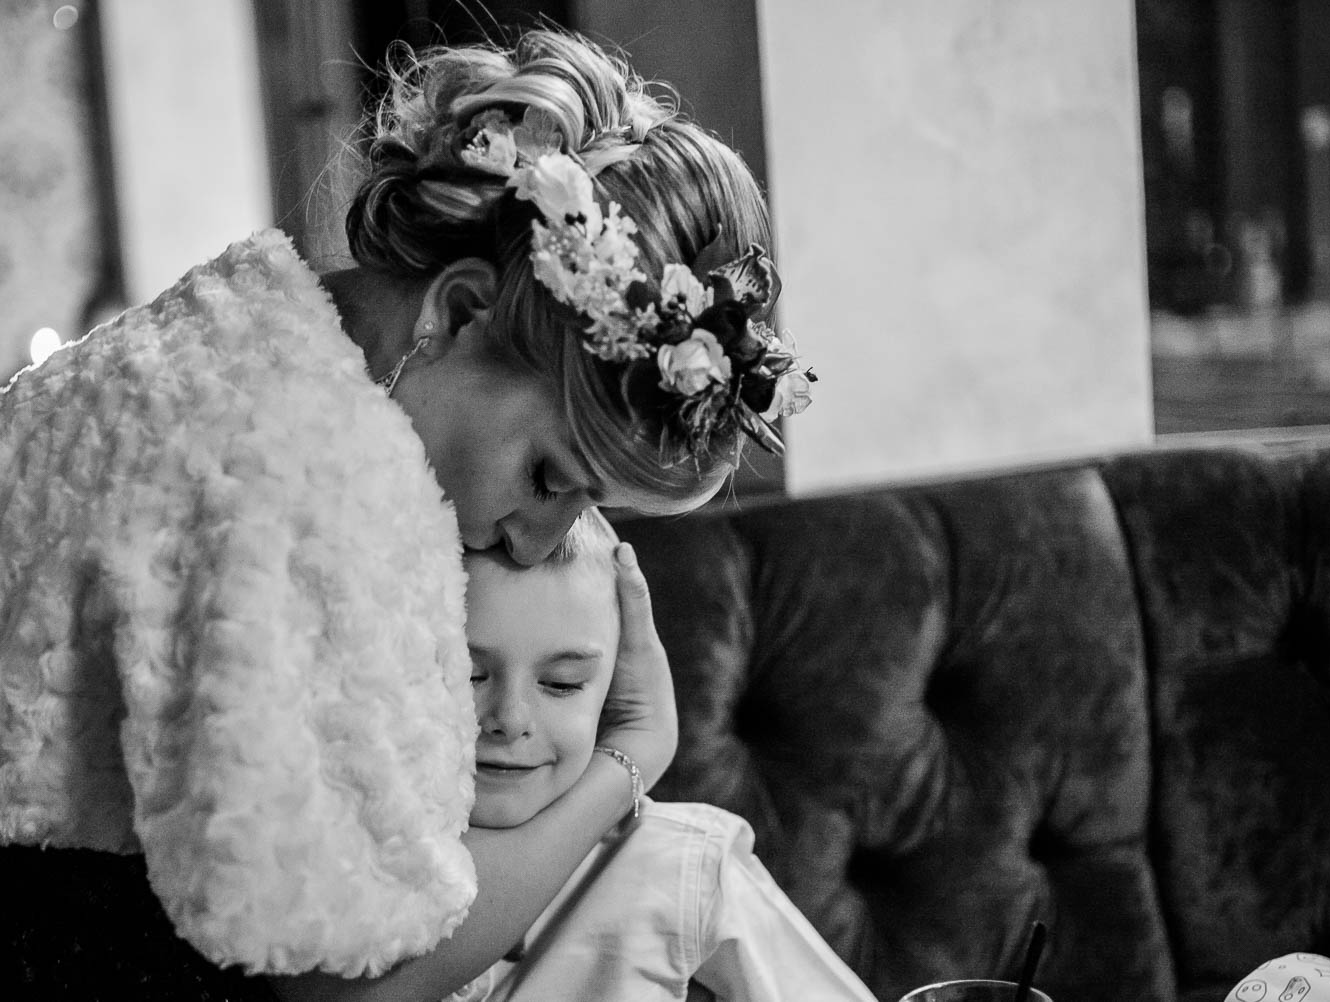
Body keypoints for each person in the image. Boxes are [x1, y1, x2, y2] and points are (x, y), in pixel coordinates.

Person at [0, 27, 813, 1002]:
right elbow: (353, 987)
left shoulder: (240, 323)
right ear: (458, 312)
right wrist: (629, 762)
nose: (541, 537)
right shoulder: (304, 475)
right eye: (554, 476)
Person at [447, 510, 875, 1002]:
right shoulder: (349, 880)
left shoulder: (682, 865)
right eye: (467, 674)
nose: (510, 717)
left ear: (608, 691)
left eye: (561, 684)